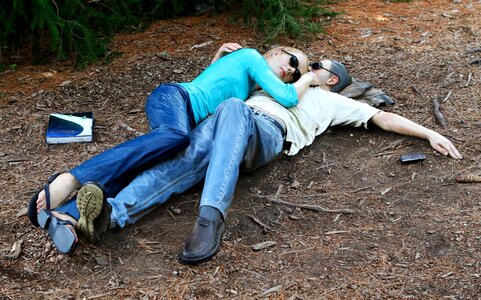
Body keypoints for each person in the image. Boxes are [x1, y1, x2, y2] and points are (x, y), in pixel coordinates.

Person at [33, 57, 462, 261]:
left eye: (316, 65)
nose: (303, 68)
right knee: (178, 162)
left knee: (233, 112)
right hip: (223, 127)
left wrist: (429, 132)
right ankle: (103, 216)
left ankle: (211, 216)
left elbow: (383, 118)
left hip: (263, 135)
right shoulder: (272, 87)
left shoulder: (332, 103)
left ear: (332, 79)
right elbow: (219, 83)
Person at [27, 44, 320, 246]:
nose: (291, 72)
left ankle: (68, 216)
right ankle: (71, 179)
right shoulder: (253, 57)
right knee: (175, 138)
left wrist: (217, 59)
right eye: (293, 62)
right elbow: (289, 97)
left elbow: (208, 85)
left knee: (153, 161)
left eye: (296, 73)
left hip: (183, 115)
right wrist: (309, 77)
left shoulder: (248, 87)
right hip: (172, 100)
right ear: (278, 51)